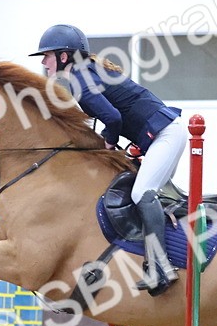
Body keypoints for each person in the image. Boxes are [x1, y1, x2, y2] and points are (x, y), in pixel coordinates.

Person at [30, 24, 182, 296]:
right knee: (140, 191)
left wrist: (108, 142)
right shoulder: (84, 73)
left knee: (142, 194)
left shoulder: (79, 78)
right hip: (160, 135)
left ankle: (161, 266)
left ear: (64, 56)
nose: (43, 62)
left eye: (47, 55)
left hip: (166, 135)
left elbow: (112, 118)